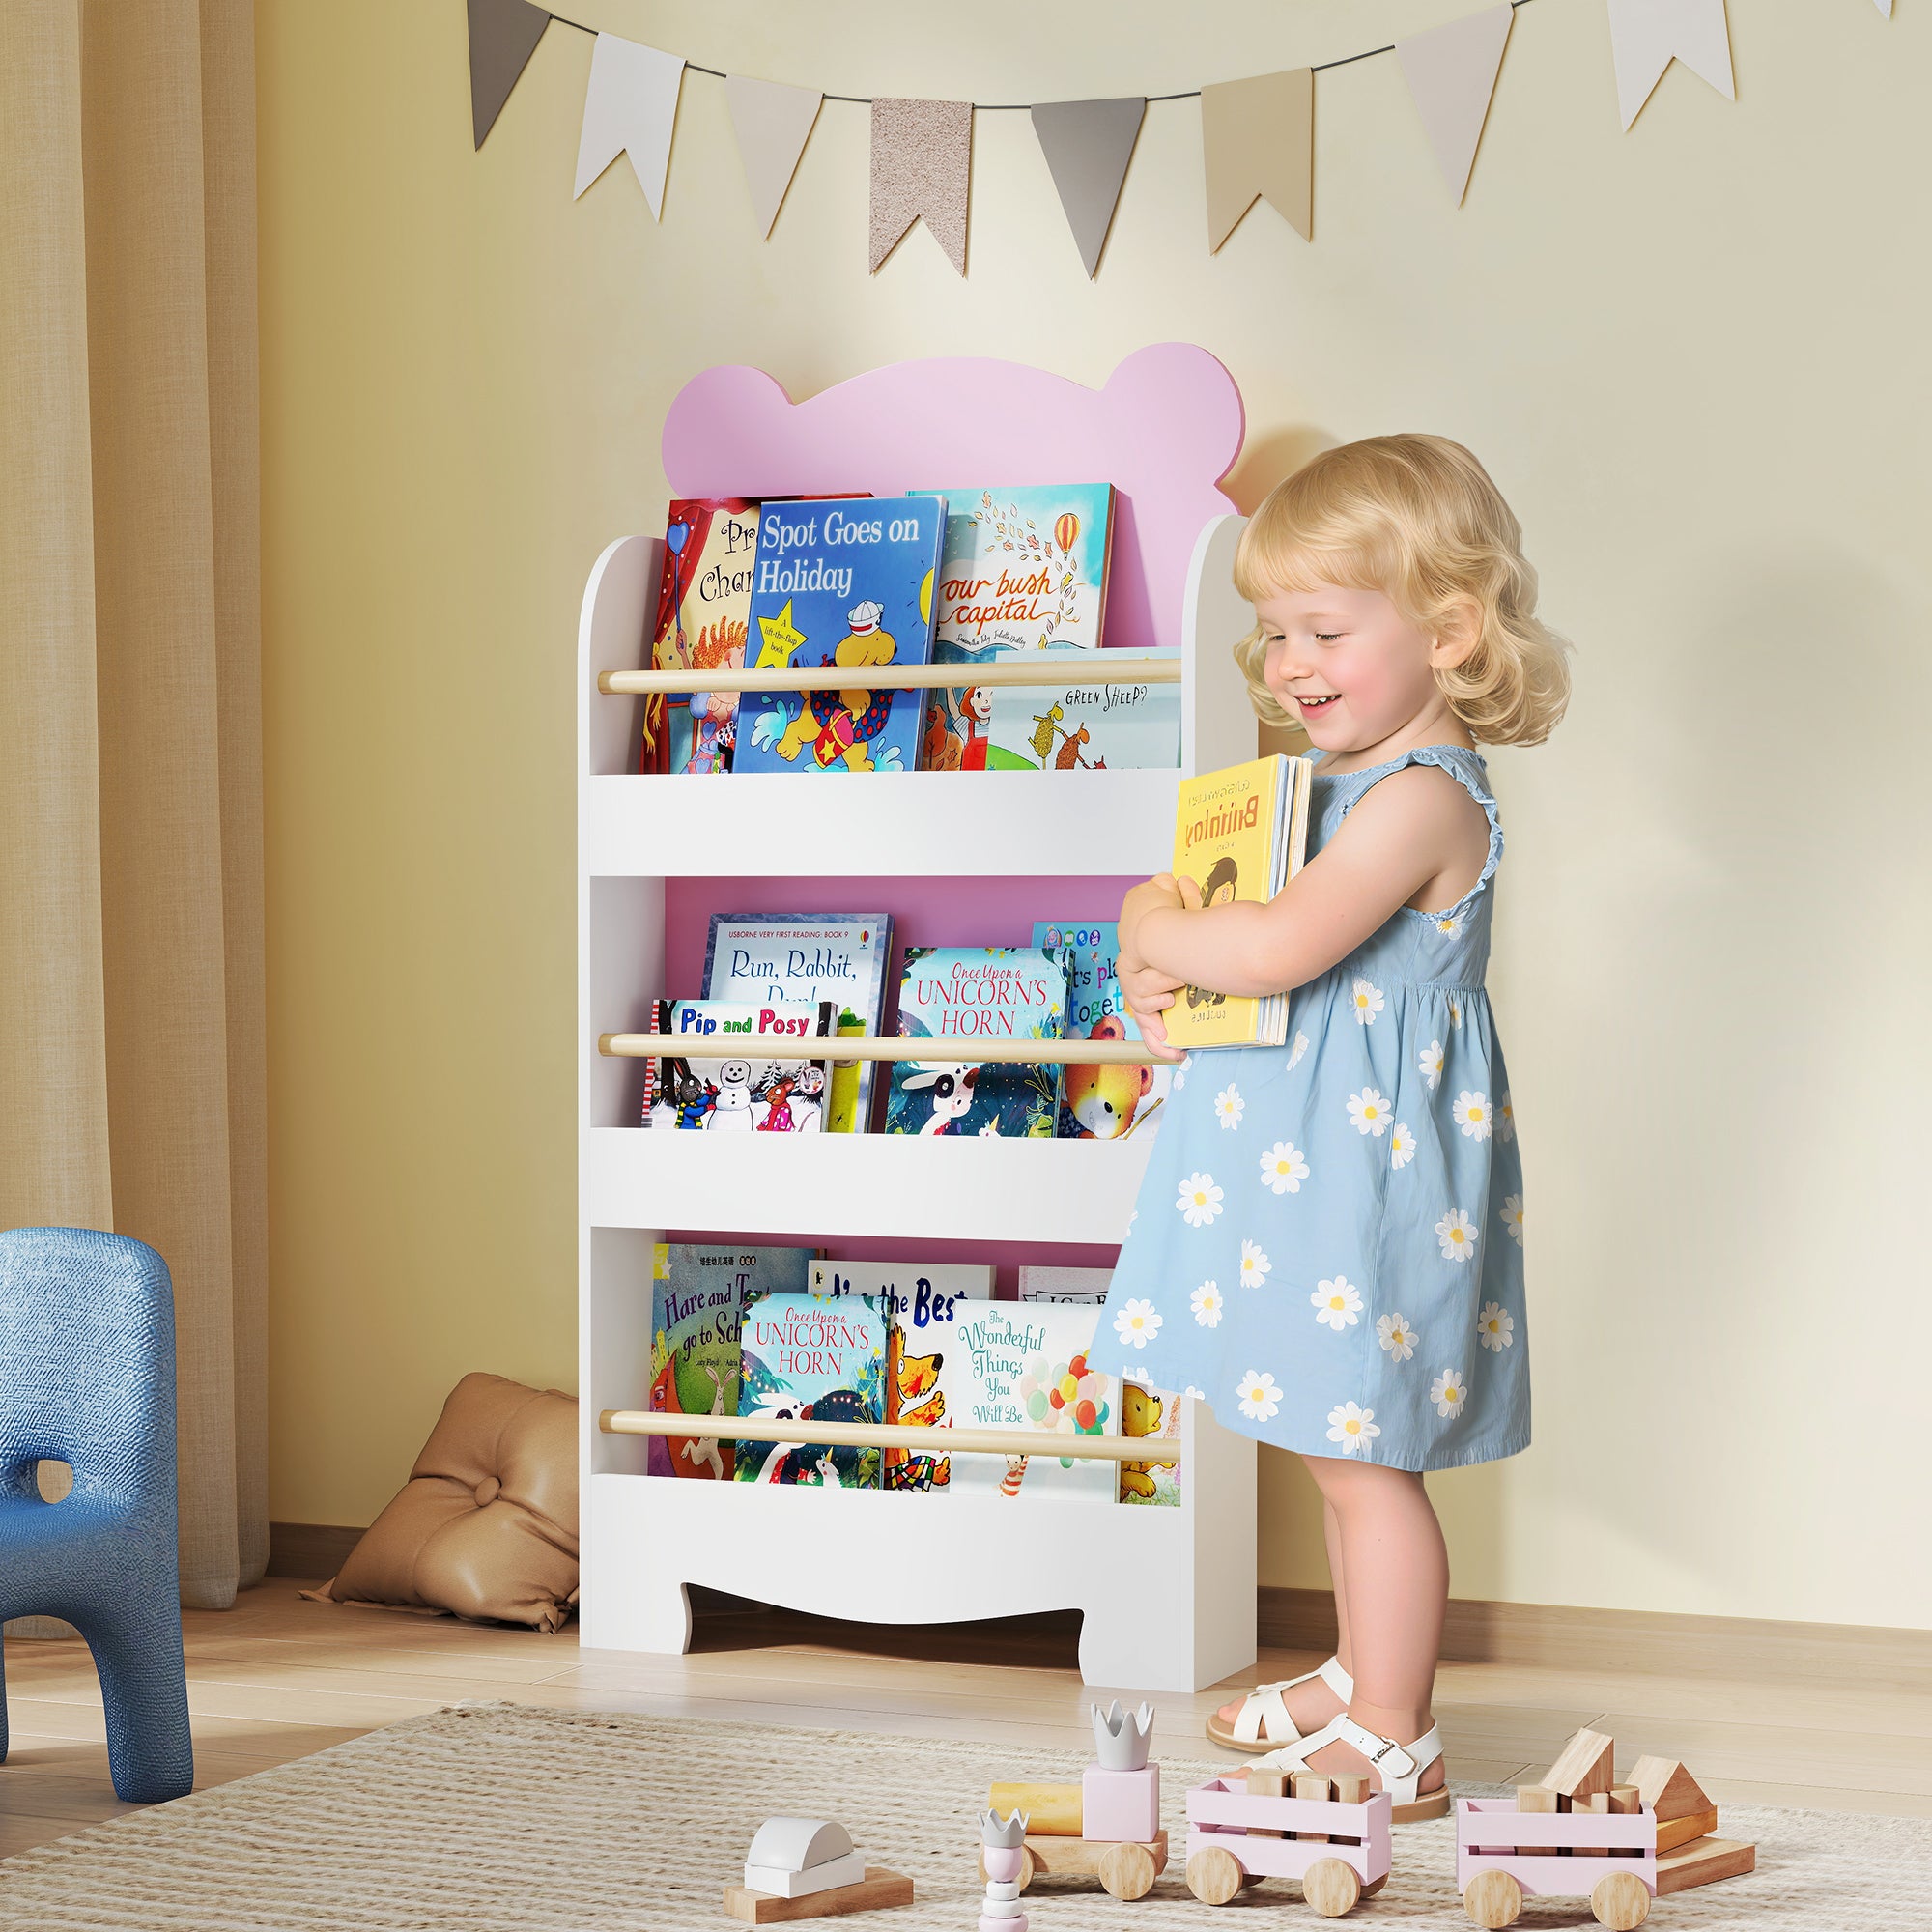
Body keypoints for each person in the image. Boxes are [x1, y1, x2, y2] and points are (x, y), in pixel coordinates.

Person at [1100, 434, 1569, 1819]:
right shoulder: (1332, 787)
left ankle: (1396, 1729)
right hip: (1309, 1166)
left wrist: (1160, 923)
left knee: (1371, 1465)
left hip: (1371, 1177)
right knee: (1327, 1432)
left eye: (1322, 629)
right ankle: (1361, 1665)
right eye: (1272, 633)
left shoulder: (1425, 796)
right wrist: (1163, 938)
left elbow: (1285, 943)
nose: (1289, 662)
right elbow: (1225, 933)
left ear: (1448, 628)